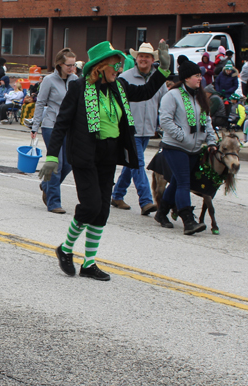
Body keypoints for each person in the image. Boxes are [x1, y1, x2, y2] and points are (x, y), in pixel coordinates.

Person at [39, 40, 170, 280]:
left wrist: (163, 71)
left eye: (119, 65)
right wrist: (51, 156)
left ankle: (88, 263)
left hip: (109, 154)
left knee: (102, 211)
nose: (119, 69)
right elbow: (61, 124)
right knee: (90, 206)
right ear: (100, 66)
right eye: (114, 65)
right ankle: (66, 249)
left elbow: (146, 92)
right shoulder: (79, 88)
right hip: (84, 154)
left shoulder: (119, 86)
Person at [154, 61, 217, 235]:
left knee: (175, 182)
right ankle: (188, 220)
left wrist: (211, 141)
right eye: (197, 76)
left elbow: (207, 121)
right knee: (183, 182)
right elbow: (165, 121)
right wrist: (182, 136)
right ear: (187, 78)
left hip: (194, 149)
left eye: (200, 76)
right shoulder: (172, 95)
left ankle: (161, 213)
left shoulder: (200, 96)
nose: (200, 79)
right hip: (175, 147)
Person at [111, 42, 167, 215]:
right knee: (138, 164)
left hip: (148, 129)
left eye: (147, 56)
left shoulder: (158, 79)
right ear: (136, 59)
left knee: (131, 165)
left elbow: (164, 102)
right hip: (130, 130)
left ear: (152, 60)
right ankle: (146, 201)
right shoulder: (125, 78)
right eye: (141, 56)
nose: (143, 59)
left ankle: (117, 195)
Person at [31, 48, 78, 214]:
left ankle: (46, 185)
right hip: (51, 126)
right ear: (59, 64)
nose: (72, 68)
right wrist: (35, 126)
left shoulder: (75, 80)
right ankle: (54, 203)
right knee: (56, 164)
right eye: (68, 65)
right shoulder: (49, 80)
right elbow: (40, 102)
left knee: (69, 163)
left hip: (69, 127)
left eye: (74, 65)